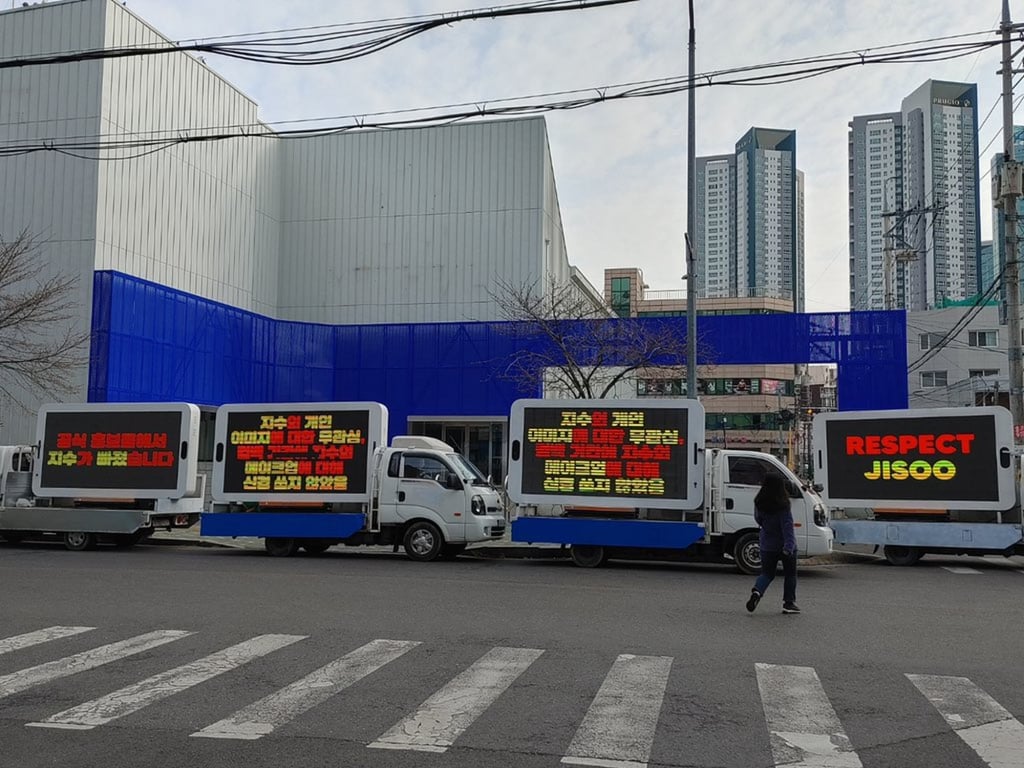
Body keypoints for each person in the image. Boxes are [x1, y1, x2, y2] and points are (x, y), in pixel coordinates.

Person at [745, 473, 800, 614]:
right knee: (790, 574)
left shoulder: (759, 502)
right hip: (784, 544)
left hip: (767, 544)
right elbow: (787, 527)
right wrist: (789, 546)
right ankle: (788, 603)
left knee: (767, 574)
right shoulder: (783, 504)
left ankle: (757, 592)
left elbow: (758, 520)